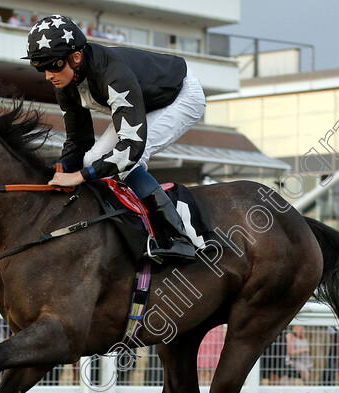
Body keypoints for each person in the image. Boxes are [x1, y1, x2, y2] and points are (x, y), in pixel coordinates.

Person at [22, 14, 205, 262]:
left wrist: (78, 177)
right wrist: (61, 169)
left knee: (127, 162)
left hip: (181, 96)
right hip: (147, 99)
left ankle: (178, 238)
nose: (48, 75)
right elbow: (78, 140)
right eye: (40, 67)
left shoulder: (112, 74)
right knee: (92, 159)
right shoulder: (67, 81)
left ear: (76, 57)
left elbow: (131, 148)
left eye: (53, 65)